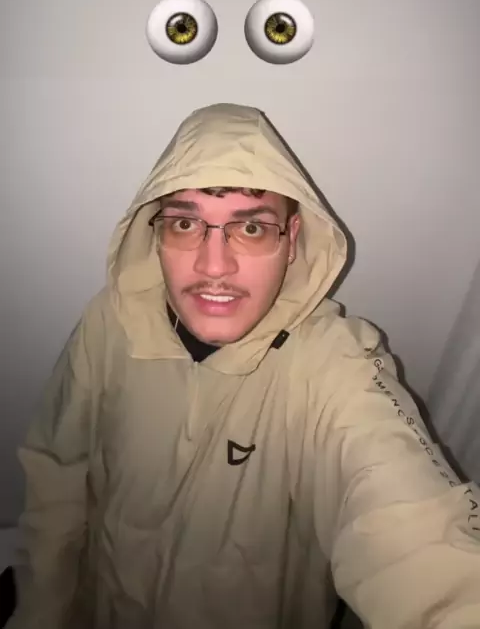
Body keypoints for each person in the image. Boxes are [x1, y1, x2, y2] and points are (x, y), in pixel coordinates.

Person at [8, 102, 480, 629]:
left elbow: (413, 530)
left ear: (292, 240)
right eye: (185, 223)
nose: (214, 266)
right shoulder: (108, 325)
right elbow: (55, 482)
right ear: (155, 233)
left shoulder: (334, 363)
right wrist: (40, 613)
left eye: (251, 228)